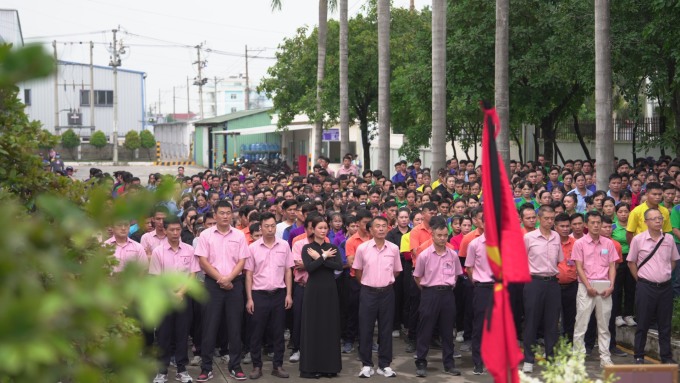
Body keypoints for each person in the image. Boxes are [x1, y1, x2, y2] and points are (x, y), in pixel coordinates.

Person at [194, 201, 250, 382]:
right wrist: (221, 279)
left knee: (235, 327)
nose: (225, 216)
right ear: (215, 215)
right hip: (212, 285)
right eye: (222, 213)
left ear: (232, 214)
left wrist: (229, 279)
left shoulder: (239, 235)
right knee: (209, 327)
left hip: (235, 285)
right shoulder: (205, 235)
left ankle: (235, 366)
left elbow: (242, 261)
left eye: (228, 213)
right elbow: (203, 261)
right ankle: (206, 367)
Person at [244, 213, 294, 379]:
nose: (270, 229)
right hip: (259, 295)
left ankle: (278, 365)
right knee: (256, 332)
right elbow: (249, 274)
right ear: (261, 228)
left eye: (273, 226)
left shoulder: (284, 245)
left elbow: (288, 270)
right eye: (267, 226)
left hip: (279, 294)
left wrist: (288, 294)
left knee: (278, 332)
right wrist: (250, 298)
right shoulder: (252, 248)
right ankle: (257, 366)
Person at [627, 208, 680, 364]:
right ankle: (639, 355)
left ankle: (666, 357)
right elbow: (631, 263)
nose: (658, 221)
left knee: (665, 324)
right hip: (645, 286)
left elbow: (673, 261)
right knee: (643, 322)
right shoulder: (638, 240)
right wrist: (642, 280)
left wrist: (664, 273)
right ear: (646, 222)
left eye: (660, 218)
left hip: (665, 287)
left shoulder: (669, 239)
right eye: (654, 219)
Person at [353, 216, 402, 378]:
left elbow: (396, 270)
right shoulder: (362, 248)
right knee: (365, 329)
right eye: (377, 226)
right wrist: (370, 284)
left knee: (386, 329)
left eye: (384, 226)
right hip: (368, 292)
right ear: (371, 230)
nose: (381, 229)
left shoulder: (394, 248)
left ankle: (384, 364)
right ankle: (366, 364)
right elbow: (358, 272)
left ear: (388, 228)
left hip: (387, 292)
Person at [413, 217, 463, 377]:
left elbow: (456, 275)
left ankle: (449, 364)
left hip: (448, 295)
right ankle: (421, 362)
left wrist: (446, 287)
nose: (442, 238)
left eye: (444, 235)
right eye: (439, 235)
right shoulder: (424, 255)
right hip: (430, 294)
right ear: (432, 236)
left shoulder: (453, 255)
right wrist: (429, 291)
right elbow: (417, 277)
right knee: (425, 330)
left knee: (448, 331)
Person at [150, 217, 197, 383]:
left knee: (182, 335)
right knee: (164, 336)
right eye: (172, 230)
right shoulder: (158, 252)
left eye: (178, 229)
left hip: (184, 297)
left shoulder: (189, 250)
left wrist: (181, 293)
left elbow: (192, 274)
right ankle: (161, 371)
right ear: (165, 230)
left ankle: (182, 369)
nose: (176, 233)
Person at [571, 211, 618, 367]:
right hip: (586, 287)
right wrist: (588, 286)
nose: (596, 225)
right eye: (592, 222)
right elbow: (578, 267)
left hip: (604, 287)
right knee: (581, 324)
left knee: (604, 325)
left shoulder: (608, 243)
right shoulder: (579, 243)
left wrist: (611, 286)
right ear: (586, 225)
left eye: (598, 222)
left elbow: (612, 266)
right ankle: (578, 356)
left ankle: (605, 357)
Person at [299, 215, 343, 378]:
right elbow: (309, 268)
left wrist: (321, 259)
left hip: (330, 289)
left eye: (325, 228)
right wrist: (324, 257)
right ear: (313, 230)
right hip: (313, 290)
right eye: (320, 228)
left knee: (329, 325)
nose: (323, 231)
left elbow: (338, 266)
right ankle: (311, 367)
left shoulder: (333, 247)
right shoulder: (307, 248)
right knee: (312, 326)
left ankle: (329, 367)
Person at [522, 205, 563, 374]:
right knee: (531, 322)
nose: (549, 222)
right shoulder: (529, 238)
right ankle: (529, 360)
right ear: (539, 219)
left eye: (552, 218)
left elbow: (559, 259)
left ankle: (551, 357)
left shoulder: (556, 237)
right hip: (534, 282)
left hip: (552, 283)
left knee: (552, 323)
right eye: (546, 218)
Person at [555, 213, 577, 342]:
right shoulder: (551, 242)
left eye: (567, 226)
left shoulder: (576, 243)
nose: (565, 229)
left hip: (571, 286)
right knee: (552, 316)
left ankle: (568, 342)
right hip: (554, 285)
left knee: (570, 316)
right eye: (562, 226)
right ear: (555, 227)